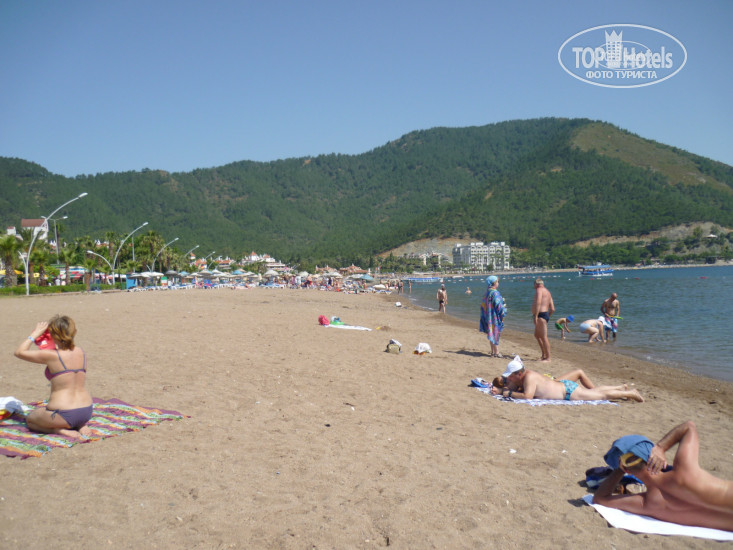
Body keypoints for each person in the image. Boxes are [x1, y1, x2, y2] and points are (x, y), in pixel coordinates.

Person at [594, 421, 733, 531]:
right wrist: (661, 447)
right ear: (654, 456)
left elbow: (600, 498)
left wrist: (620, 469)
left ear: (627, 470)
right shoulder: (685, 471)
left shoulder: (648, 503)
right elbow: (689, 426)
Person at [13, 315, 93, 438]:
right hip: (86, 411)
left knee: (30, 419)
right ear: (74, 332)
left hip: (62, 414)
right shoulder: (81, 352)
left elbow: (19, 352)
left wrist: (35, 334)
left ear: (51, 335)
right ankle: (80, 425)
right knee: (70, 414)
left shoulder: (51, 355)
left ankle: (59, 431)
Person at [490, 356, 643, 402]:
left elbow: (527, 396)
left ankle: (631, 393)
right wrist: (500, 389)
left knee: (601, 396)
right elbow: (511, 388)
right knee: (596, 392)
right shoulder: (523, 376)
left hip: (568, 391)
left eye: (510, 376)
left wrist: (507, 393)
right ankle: (620, 388)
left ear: (518, 374)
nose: (509, 379)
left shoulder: (529, 377)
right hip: (564, 386)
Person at [479, 275, 507, 357]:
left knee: (491, 332)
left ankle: (492, 351)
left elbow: (482, 305)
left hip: (488, 316)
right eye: (497, 282)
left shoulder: (487, 293)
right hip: (494, 316)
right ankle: (497, 352)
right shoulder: (495, 293)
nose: (498, 283)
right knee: (496, 333)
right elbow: (499, 306)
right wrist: (503, 314)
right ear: (494, 283)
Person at [531, 278, 555, 362]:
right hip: (544, 315)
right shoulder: (548, 292)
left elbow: (538, 302)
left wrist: (536, 316)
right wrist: (547, 317)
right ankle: (543, 355)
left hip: (540, 315)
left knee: (544, 337)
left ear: (536, 284)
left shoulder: (539, 290)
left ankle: (548, 358)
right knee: (537, 335)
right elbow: (552, 309)